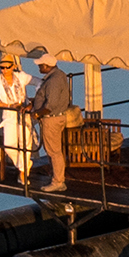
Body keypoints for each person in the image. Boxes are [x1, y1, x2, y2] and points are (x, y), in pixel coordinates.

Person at [32, 55, 82, 193]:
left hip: (51, 119)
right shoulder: (59, 75)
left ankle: (58, 181)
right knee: (53, 150)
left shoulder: (53, 80)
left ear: (47, 66)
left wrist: (37, 113)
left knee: (54, 151)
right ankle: (55, 176)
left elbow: (51, 104)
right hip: (56, 117)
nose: (39, 67)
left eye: (41, 65)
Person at [0, 53, 32, 184]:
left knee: (25, 143)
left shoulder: (21, 77)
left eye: (7, 67)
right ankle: (24, 166)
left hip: (23, 113)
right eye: (2, 68)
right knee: (9, 146)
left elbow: (39, 82)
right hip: (9, 114)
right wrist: (9, 105)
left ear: (12, 67)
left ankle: (22, 174)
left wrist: (33, 102)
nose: (5, 70)